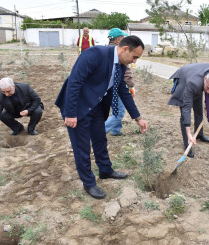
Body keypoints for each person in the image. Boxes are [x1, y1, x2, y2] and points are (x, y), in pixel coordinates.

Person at [55, 36, 148, 200]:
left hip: (97, 106)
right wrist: (70, 113)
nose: (134, 62)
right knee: (82, 147)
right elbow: (74, 82)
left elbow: (123, 92)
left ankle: (105, 170)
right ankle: (89, 183)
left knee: (100, 140)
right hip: (78, 107)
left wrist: (138, 118)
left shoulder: (120, 66)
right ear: (125, 49)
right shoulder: (94, 54)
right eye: (134, 57)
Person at [168, 63, 209, 158]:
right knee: (184, 114)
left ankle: (199, 134)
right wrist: (189, 132)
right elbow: (187, 107)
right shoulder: (193, 83)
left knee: (199, 109)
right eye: (208, 88)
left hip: (197, 79)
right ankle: (187, 142)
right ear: (205, 79)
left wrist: (207, 106)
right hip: (184, 78)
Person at [105, 28, 134, 136]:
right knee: (119, 113)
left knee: (115, 110)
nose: (124, 40)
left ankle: (116, 131)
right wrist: (131, 85)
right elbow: (125, 72)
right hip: (116, 86)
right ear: (117, 40)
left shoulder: (107, 50)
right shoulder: (119, 53)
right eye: (123, 38)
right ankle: (98, 134)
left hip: (108, 87)